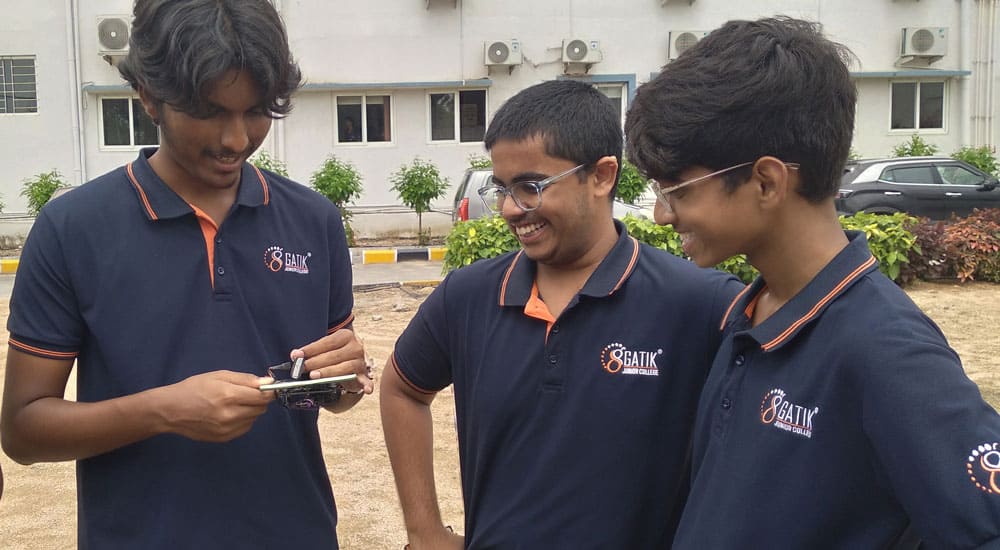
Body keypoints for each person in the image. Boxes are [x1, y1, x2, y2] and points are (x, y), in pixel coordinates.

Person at [0, 1, 371, 548]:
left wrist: (343, 378)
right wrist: (163, 412)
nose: (236, 140)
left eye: (256, 111)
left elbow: (332, 391)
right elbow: (23, 431)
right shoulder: (72, 228)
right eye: (210, 111)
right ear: (149, 95)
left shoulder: (313, 220)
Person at [625, 17, 1000, 548]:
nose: (662, 216)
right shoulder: (750, 313)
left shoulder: (886, 349)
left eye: (678, 191)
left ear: (766, 181)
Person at [380, 80, 743, 549]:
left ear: (602, 176)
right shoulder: (468, 296)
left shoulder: (701, 305)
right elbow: (402, 389)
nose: (510, 209)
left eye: (530, 187)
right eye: (502, 188)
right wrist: (424, 531)